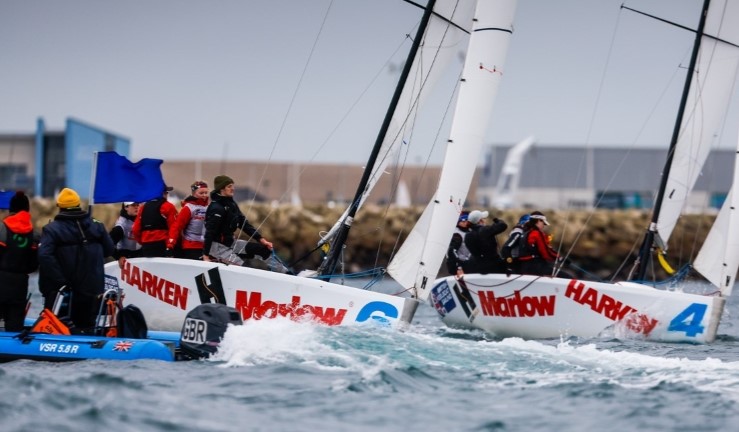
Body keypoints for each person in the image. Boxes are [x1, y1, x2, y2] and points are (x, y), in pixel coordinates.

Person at [38, 187, 115, 332]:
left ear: (60, 207)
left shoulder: (52, 229)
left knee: (60, 326)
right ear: (78, 204)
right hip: (92, 289)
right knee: (87, 327)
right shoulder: (97, 225)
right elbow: (109, 250)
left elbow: (44, 255)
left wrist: (59, 280)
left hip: (64, 292)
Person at [203, 175, 274, 265]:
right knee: (245, 267)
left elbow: (244, 224)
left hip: (231, 243)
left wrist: (261, 239)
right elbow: (209, 233)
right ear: (221, 189)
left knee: (264, 251)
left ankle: (286, 275)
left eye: (233, 186)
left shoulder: (232, 204)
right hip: (218, 248)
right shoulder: (216, 208)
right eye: (229, 186)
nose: (233, 188)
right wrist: (205, 256)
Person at [0, 191, 39, 332]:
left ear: (11, 209)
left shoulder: (2, 229)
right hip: (20, 283)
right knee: (15, 324)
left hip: (1, 279)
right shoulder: (33, 234)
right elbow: (34, 264)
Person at [132, 185, 178, 257]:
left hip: (146, 246)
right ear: (162, 194)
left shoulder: (143, 207)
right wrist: (170, 245)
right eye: (165, 193)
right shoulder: (168, 206)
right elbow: (174, 228)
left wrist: (142, 242)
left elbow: (135, 229)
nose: (167, 195)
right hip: (162, 245)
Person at [168, 180, 209, 260]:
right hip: (191, 247)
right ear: (194, 193)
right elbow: (176, 226)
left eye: (206, 193)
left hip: (206, 246)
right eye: (201, 193)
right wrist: (170, 245)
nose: (204, 195)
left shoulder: (209, 207)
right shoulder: (188, 208)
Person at [464, 210, 508, 274]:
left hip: (477, 267)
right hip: (494, 266)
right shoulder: (485, 230)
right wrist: (497, 220)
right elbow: (503, 225)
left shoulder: (467, 235)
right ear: (480, 221)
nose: (485, 220)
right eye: (484, 219)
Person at [517, 211, 559, 276]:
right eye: (543, 223)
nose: (544, 226)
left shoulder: (525, 233)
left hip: (524, 268)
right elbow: (546, 253)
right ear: (538, 221)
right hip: (537, 268)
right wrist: (559, 257)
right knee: (567, 276)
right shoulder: (537, 234)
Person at [109, 201, 142, 268]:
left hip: (139, 258)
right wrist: (119, 257)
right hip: (126, 261)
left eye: (137, 205)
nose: (136, 207)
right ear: (126, 207)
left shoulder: (141, 219)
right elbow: (108, 244)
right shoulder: (120, 226)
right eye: (133, 205)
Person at [446, 211, 474, 277]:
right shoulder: (457, 234)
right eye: (463, 221)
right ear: (459, 222)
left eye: (466, 221)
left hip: (468, 264)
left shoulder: (469, 231)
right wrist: (459, 267)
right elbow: (452, 251)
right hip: (459, 267)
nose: (465, 223)